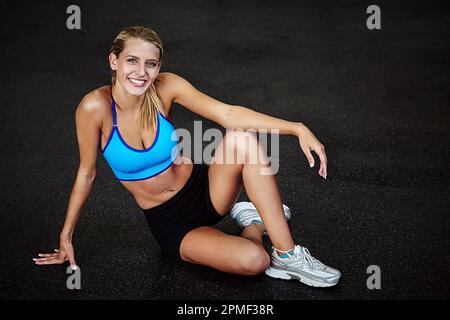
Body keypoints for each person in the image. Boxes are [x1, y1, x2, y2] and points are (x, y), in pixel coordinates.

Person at [34, 26, 341, 287]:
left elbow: (229, 113)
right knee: (254, 261)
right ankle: (255, 224)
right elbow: (87, 172)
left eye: (150, 64)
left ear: (158, 66)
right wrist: (66, 237)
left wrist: (296, 127)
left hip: (206, 189)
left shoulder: (166, 87)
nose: (141, 73)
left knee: (242, 139)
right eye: (131, 61)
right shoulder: (94, 108)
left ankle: (288, 255)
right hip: (172, 223)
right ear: (113, 61)